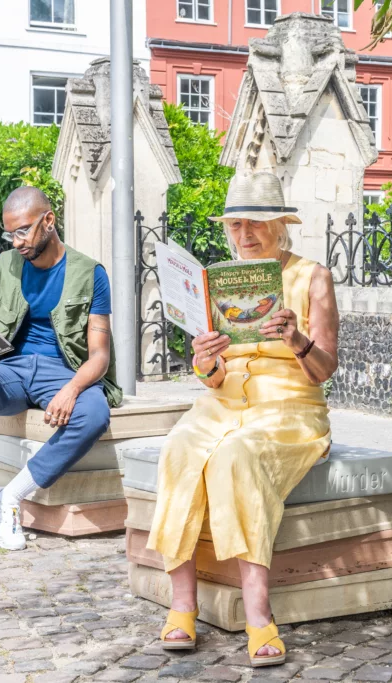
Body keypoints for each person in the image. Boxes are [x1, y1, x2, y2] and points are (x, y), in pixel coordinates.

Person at [146, 172, 339, 667]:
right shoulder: (219, 283)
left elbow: (324, 371)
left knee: (236, 456)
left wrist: (296, 340)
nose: (245, 235)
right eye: (235, 226)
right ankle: (182, 605)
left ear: (280, 227)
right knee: (180, 449)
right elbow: (210, 376)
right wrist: (205, 358)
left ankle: (258, 615)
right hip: (222, 402)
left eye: (256, 225)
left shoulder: (311, 276)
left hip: (289, 405)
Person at [0, 186, 122, 562]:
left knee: (94, 412)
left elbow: (99, 356)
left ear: (49, 221)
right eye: (10, 233)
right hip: (12, 370)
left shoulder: (90, 274)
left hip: (63, 371)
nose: (17, 241)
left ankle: (10, 496)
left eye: (23, 230)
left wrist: (72, 389)